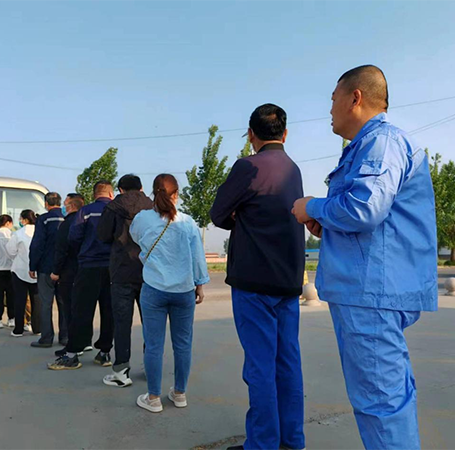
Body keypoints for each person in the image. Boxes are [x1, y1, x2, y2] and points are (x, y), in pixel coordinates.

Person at [292, 65, 438, 450]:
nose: (330, 109)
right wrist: (327, 222)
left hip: (371, 293)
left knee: (380, 405)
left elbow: (364, 209)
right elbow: (370, 217)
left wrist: (312, 206)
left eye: (333, 99)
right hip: (372, 289)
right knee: (389, 400)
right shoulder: (371, 145)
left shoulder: (381, 142)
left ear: (355, 98)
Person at [211, 104, 306, 450]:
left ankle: (263, 443)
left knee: (260, 367)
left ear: (251, 134)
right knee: (287, 363)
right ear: (285, 133)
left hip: (254, 280)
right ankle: (291, 440)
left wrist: (240, 217)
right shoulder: (293, 169)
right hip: (288, 280)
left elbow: (218, 213)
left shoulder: (248, 166)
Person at [129, 174, 209, 413]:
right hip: (183, 290)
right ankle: (180, 393)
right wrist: (199, 284)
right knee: (183, 344)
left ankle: (153, 397)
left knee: (154, 345)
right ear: (177, 194)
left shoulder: (143, 219)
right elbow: (197, 256)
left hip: (154, 288)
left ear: (153, 192)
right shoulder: (187, 222)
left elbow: (136, 238)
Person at [47, 181, 114, 370]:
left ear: (94, 194)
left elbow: (74, 237)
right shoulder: (117, 211)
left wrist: (86, 250)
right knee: (109, 311)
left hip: (88, 266)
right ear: (111, 194)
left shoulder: (86, 211)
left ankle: (73, 353)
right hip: (112, 267)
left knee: (81, 310)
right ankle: (104, 352)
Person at [97, 174, 154, 387]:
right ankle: (151, 367)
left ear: (120, 189)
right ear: (141, 188)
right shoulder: (152, 206)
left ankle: (121, 371)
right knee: (151, 322)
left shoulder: (113, 207)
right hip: (149, 271)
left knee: (122, 322)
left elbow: (103, 235)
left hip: (121, 271)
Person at [29, 192, 66, 348]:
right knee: (64, 303)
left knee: (46, 303)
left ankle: (46, 338)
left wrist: (32, 265)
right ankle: (65, 337)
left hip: (45, 267)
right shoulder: (67, 218)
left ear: (46, 203)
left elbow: (37, 244)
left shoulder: (43, 219)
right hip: (64, 268)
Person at [51, 193, 85, 344]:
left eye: (65, 205)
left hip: (68, 271)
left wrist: (56, 271)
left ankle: (71, 342)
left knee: (68, 307)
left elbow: (61, 250)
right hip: (84, 269)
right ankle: (85, 341)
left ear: (71, 206)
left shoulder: (67, 224)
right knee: (83, 307)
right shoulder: (86, 222)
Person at [6, 209, 41, 338]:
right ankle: (37, 328)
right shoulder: (40, 232)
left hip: (19, 270)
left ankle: (18, 329)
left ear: (25, 220)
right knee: (37, 301)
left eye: (21, 219)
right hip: (37, 271)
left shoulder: (18, 233)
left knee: (19, 300)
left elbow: (10, 251)